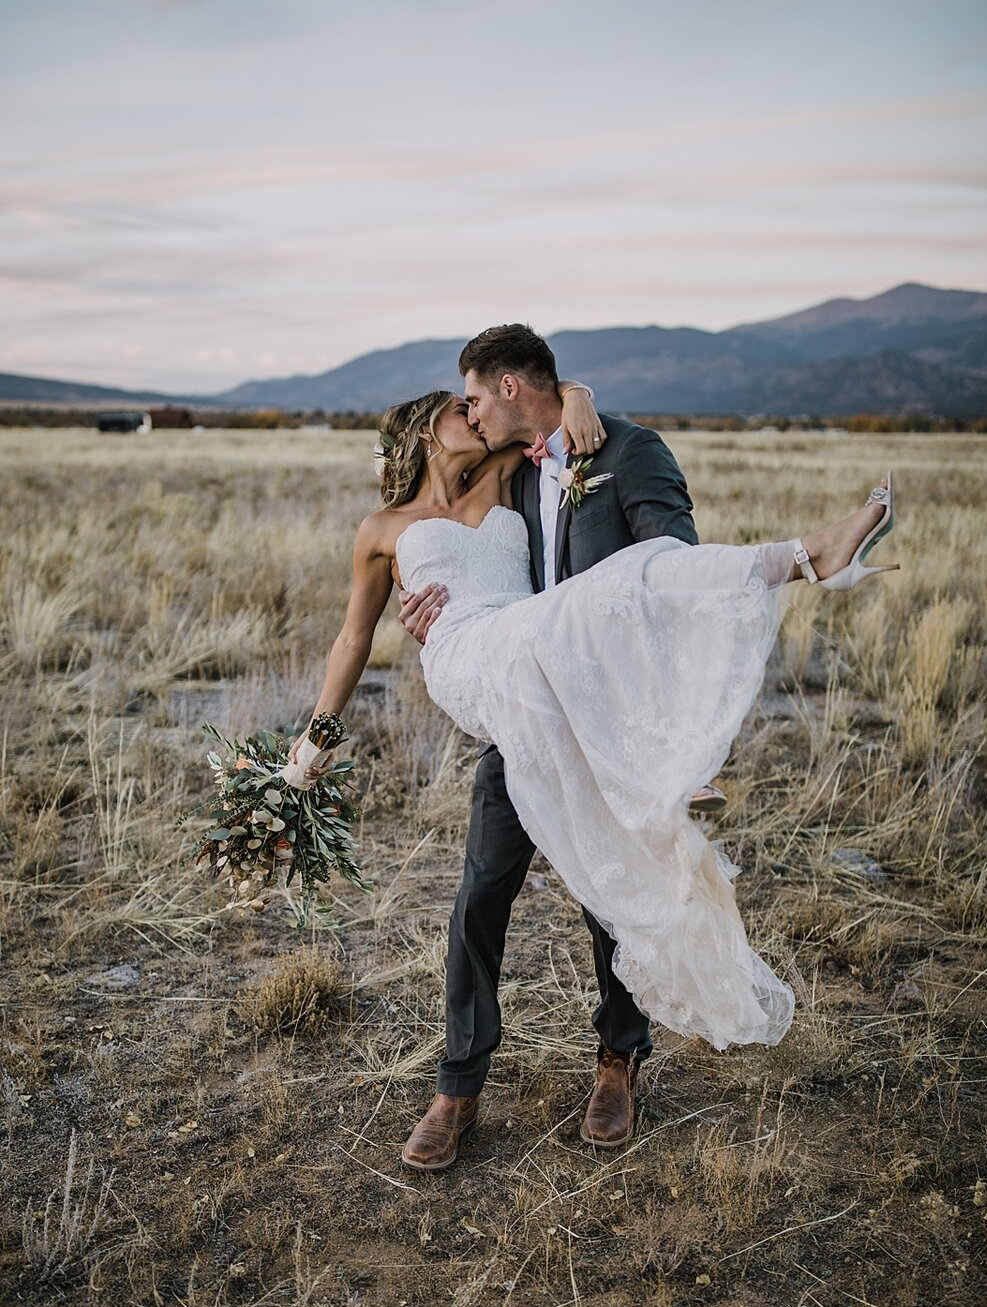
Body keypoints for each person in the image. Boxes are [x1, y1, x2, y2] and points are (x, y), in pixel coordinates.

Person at [290, 325, 897, 1173]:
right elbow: (353, 639)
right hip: (497, 684)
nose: (470, 412)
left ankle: (619, 1060)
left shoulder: (532, 464)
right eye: (456, 408)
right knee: (477, 902)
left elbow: (559, 437)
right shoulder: (394, 523)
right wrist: (316, 736)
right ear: (427, 434)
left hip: (571, 694)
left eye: (476, 398)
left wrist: (576, 398)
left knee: (607, 886)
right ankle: (457, 1085)